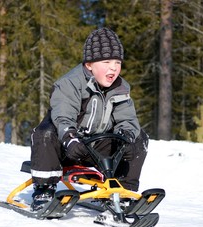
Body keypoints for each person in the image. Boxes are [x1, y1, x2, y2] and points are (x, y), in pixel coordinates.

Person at [29, 27, 149, 211]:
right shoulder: (70, 83)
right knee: (45, 133)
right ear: (89, 65)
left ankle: (124, 192)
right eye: (107, 61)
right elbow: (63, 116)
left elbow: (128, 120)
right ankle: (44, 191)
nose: (113, 68)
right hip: (66, 147)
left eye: (117, 62)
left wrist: (127, 137)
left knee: (139, 137)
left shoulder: (120, 87)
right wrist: (70, 138)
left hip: (95, 149)